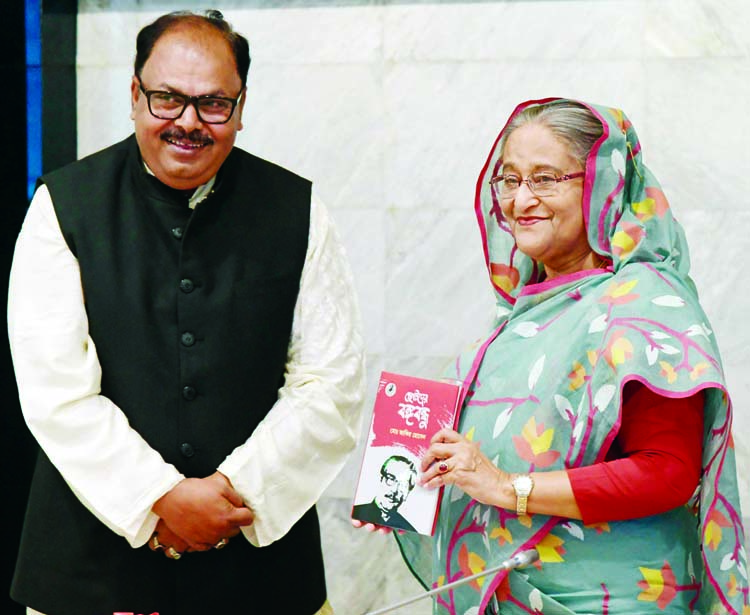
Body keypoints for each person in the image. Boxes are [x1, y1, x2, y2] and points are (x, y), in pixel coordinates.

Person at [8, 10, 364, 615]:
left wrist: (227, 494)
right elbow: (56, 393)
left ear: (241, 105)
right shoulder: (62, 207)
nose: (188, 123)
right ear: (134, 95)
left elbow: (330, 385)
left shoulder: (298, 210)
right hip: (91, 563)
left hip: (256, 563)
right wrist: (160, 499)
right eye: (167, 99)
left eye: (213, 104)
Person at [393, 98, 748, 614]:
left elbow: (667, 472)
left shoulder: (642, 304)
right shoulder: (516, 322)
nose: (520, 200)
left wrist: (505, 486)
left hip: (612, 598)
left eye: (544, 179)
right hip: (511, 590)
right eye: (509, 180)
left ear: (602, 186)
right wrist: (408, 489)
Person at [352, 454, 418, 532]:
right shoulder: (358, 512)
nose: (394, 490)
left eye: (403, 485)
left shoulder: (409, 528)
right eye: (391, 479)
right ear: (381, 479)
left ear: (407, 493)